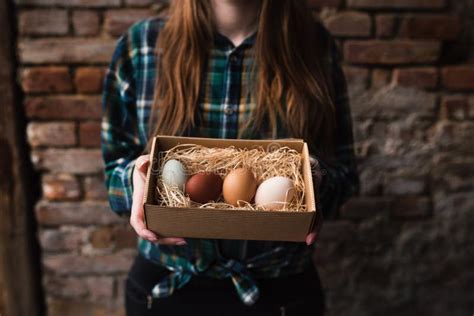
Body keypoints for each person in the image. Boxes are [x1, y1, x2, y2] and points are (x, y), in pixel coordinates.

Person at [101, 0, 359, 315]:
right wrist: (135, 179)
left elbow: (344, 177)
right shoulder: (141, 46)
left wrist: (314, 182)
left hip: (280, 293)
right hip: (167, 290)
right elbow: (114, 172)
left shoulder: (313, 45)